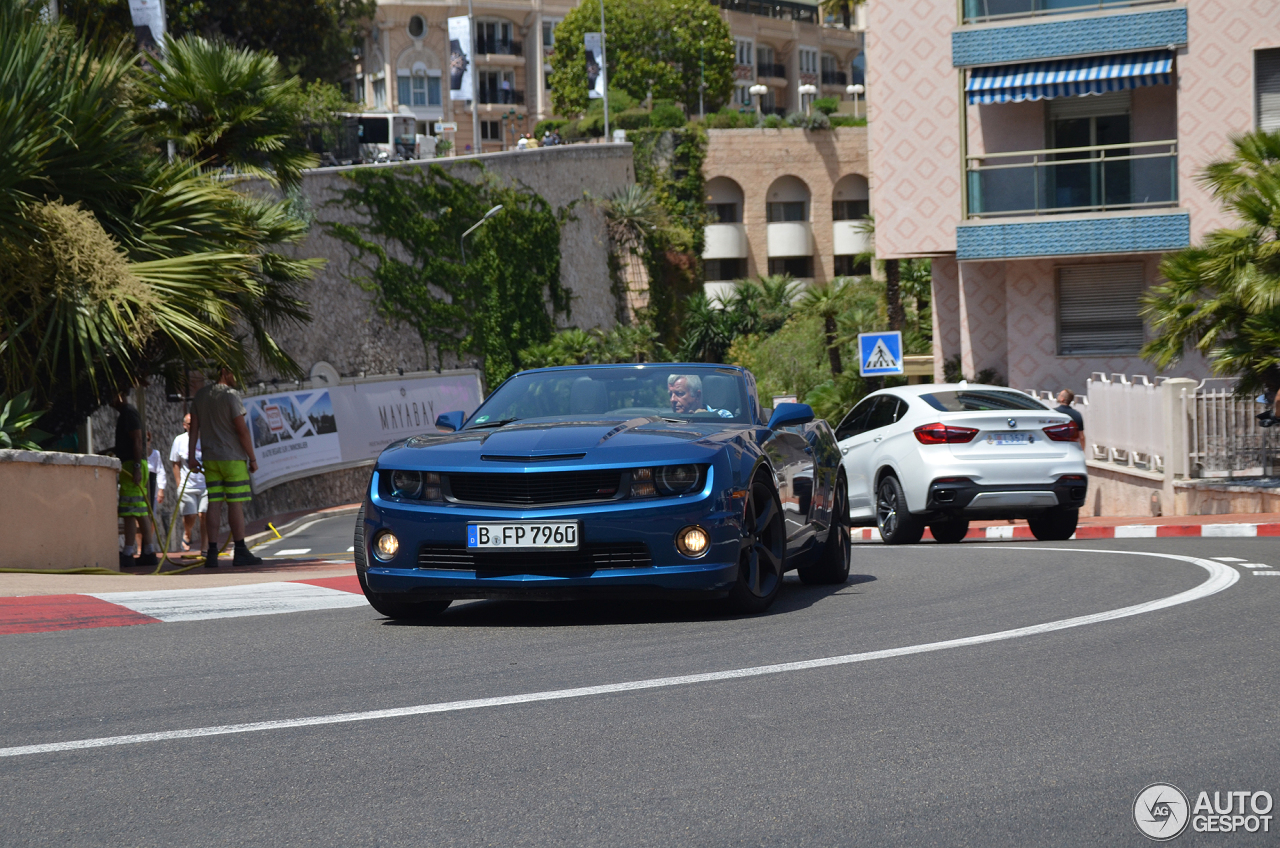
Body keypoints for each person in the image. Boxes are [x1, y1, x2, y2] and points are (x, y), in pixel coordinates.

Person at [189, 367, 263, 568]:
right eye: (234, 373)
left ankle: (211, 552)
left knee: (214, 502)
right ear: (224, 372)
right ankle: (240, 550)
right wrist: (253, 458)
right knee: (235, 503)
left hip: (210, 457)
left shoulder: (201, 396)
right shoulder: (231, 396)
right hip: (232, 458)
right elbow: (242, 430)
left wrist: (190, 457)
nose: (238, 378)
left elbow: (194, 428)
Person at [108, 390, 159, 569]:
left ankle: (130, 551)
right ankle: (148, 550)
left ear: (120, 395)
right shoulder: (126, 414)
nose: (110, 401)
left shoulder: (129, 413)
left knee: (131, 511)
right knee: (138, 510)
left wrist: (137, 467)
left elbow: (137, 440)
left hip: (133, 466)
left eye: (112, 396)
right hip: (132, 464)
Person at [170, 413, 209, 552]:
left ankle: (205, 546)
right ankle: (187, 533)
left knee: (204, 515)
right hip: (188, 485)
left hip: (205, 484)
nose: (193, 426)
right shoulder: (179, 440)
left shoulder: (205, 439)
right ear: (184, 425)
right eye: (190, 424)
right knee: (190, 515)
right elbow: (175, 463)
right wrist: (179, 482)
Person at [668, 374, 733, 418]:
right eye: (670, 394)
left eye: (680, 393)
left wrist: (705, 418)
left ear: (697, 395)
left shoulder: (722, 416)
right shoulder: (666, 420)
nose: (672, 399)